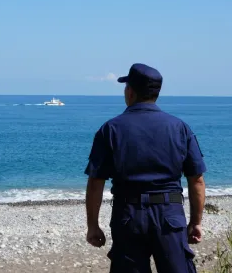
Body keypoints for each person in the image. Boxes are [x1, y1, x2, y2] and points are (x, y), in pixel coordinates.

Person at [84, 63, 207, 273]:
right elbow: (196, 180)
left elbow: (96, 182)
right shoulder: (179, 128)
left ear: (130, 91)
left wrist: (93, 226)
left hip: (128, 216)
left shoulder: (110, 129)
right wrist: (196, 222)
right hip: (170, 215)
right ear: (156, 93)